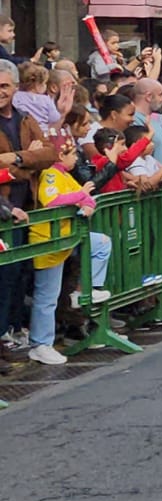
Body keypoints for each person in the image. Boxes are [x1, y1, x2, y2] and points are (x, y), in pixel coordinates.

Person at [26, 136, 112, 365]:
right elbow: (51, 199)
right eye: (72, 154)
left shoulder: (66, 176)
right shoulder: (51, 174)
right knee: (47, 296)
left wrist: (86, 204)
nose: (76, 158)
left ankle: (87, 289)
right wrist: (80, 195)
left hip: (67, 239)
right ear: (60, 156)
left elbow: (89, 197)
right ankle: (40, 343)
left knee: (102, 243)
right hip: (48, 242)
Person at [0, 59, 60, 350]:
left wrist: (17, 159)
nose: (0, 91)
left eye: (4, 86)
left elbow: (50, 154)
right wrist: (27, 161)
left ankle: (14, 327)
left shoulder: (24, 118)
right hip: (5, 208)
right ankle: (4, 334)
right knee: (5, 276)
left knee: (21, 273)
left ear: (15, 88)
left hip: (29, 207)